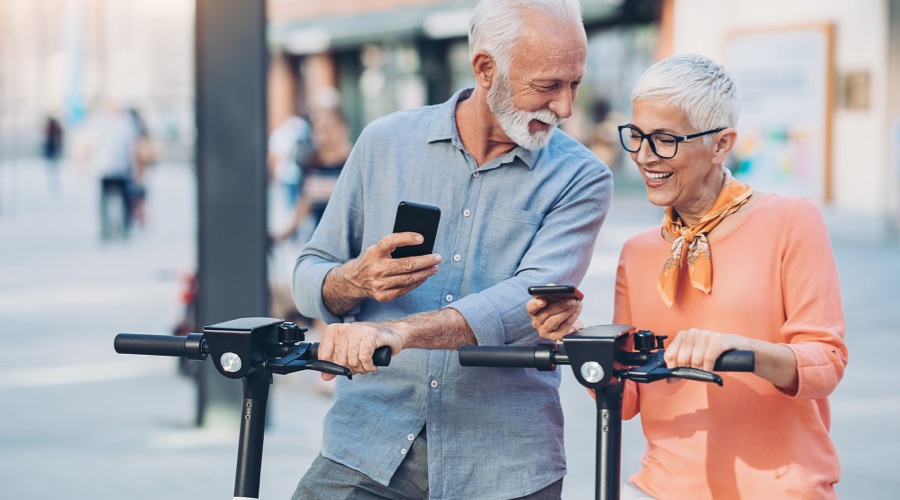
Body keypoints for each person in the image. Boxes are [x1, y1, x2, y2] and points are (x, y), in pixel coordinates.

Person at [290, 1, 613, 498]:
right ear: (486, 69)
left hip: (505, 462)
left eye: (574, 84)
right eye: (548, 86)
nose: (566, 107)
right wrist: (353, 281)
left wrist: (398, 331)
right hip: (368, 445)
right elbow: (309, 275)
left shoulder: (582, 177)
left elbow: (524, 303)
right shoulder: (384, 142)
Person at [528, 53, 848, 499]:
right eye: (636, 136)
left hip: (782, 486)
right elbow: (627, 400)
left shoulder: (791, 220)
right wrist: (578, 338)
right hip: (662, 486)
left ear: (721, 144)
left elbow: (826, 362)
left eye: (663, 139)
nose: (643, 156)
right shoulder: (638, 252)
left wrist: (742, 348)